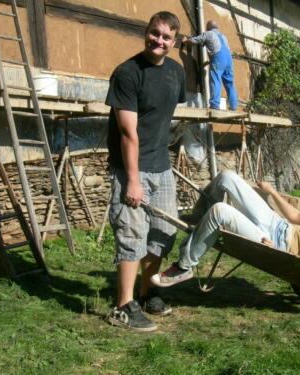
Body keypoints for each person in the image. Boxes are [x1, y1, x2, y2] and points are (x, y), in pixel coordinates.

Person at [151, 170, 300, 287]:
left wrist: (278, 255)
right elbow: (297, 216)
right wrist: (271, 192)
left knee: (221, 210)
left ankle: (184, 267)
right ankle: (201, 217)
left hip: (276, 244)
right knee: (226, 177)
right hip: (277, 224)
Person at [106, 11, 186, 332]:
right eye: (155, 34)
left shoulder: (177, 73)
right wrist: (134, 180)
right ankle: (123, 307)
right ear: (146, 32)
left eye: (166, 37)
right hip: (131, 169)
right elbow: (129, 133)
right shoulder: (127, 73)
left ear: (175, 41)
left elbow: (162, 119)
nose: (159, 41)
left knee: (161, 235)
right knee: (131, 235)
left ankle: (147, 293)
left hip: (161, 167)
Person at [182, 20, 238, 111]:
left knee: (215, 80)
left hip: (219, 58)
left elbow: (196, 40)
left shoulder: (209, 34)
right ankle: (234, 106)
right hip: (229, 60)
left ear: (208, 27)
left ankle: (215, 105)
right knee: (229, 84)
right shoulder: (224, 37)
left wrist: (186, 41)